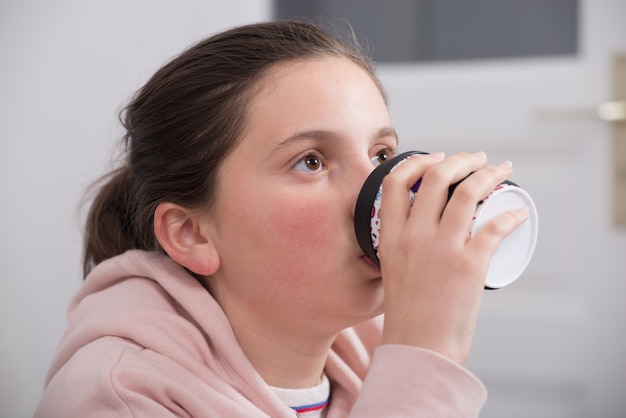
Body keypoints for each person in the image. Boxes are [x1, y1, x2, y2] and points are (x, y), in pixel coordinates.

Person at [35, 20, 528, 417]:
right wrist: (425, 360)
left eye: (381, 155)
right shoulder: (118, 399)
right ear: (193, 234)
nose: (379, 193)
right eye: (311, 161)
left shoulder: (369, 350)